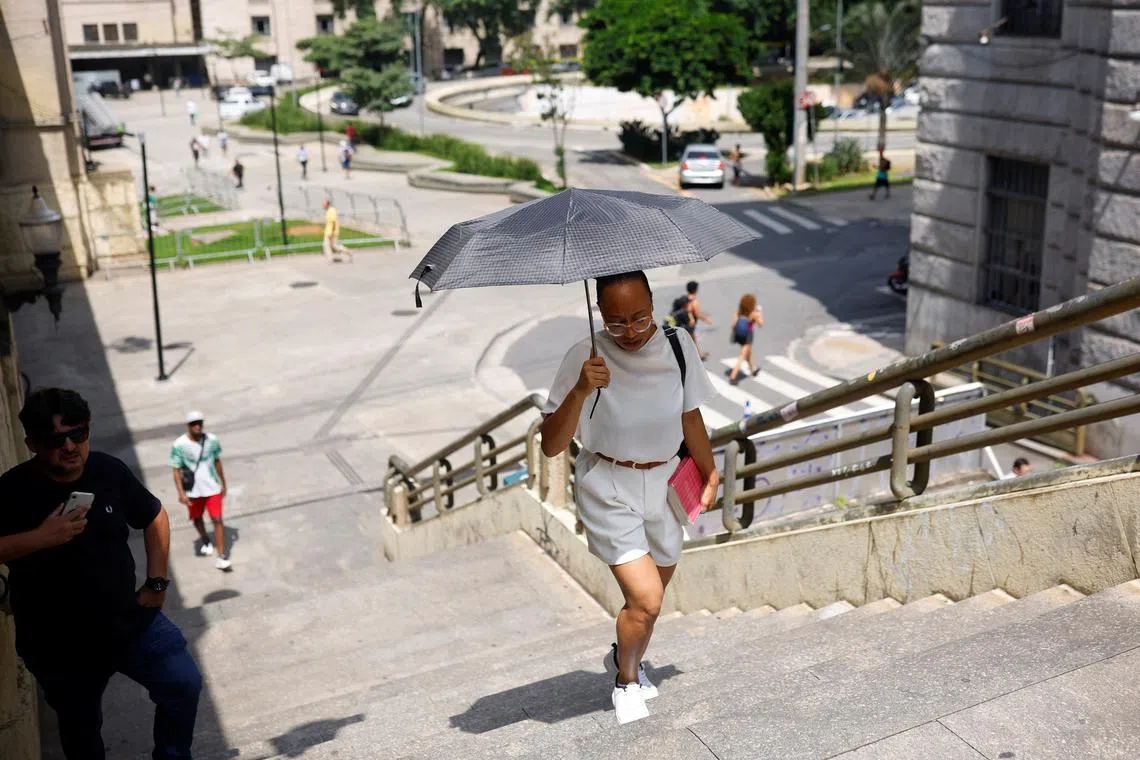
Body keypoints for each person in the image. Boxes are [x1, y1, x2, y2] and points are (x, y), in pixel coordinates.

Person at [540, 271, 719, 726]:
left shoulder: (678, 346)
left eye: (640, 318)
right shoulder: (584, 356)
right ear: (600, 314)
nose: (631, 332)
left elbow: (691, 415)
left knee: (653, 597)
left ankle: (628, 657)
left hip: (664, 483)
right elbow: (550, 445)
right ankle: (625, 679)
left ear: (654, 304)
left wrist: (709, 471)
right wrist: (581, 389)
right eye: (617, 323)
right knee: (647, 601)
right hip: (609, 485)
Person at [0, 388, 202, 759]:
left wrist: (157, 582)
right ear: (32, 443)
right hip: (58, 644)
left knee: (183, 683)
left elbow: (155, 516)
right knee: (81, 731)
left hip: (125, 621)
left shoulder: (107, 470)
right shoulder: (12, 491)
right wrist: (39, 538)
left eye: (78, 434)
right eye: (56, 440)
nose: (71, 447)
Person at [170, 411, 231, 571]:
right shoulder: (179, 445)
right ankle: (205, 539)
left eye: (199, 423)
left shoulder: (212, 440)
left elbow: (217, 461)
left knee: (217, 519)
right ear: (188, 425)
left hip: (213, 488)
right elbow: (176, 470)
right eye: (193, 423)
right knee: (197, 518)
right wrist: (181, 493)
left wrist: (223, 483)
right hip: (193, 490)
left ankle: (222, 555)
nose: (197, 426)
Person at [727, 293, 764, 384]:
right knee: (743, 355)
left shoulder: (738, 312)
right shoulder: (753, 314)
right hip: (748, 336)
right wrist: (759, 315)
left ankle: (753, 370)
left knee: (748, 354)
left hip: (739, 336)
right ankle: (733, 376)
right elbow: (761, 324)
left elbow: (733, 325)